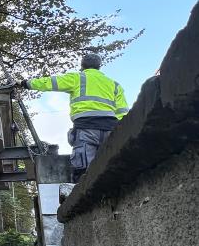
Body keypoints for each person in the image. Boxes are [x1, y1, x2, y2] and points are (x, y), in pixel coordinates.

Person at [17, 53, 129, 181]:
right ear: (99, 66)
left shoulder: (77, 78)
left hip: (86, 129)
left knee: (84, 170)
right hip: (110, 129)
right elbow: (123, 112)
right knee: (111, 164)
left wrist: (26, 83)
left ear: (82, 66)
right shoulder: (114, 85)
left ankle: (86, 196)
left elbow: (49, 82)